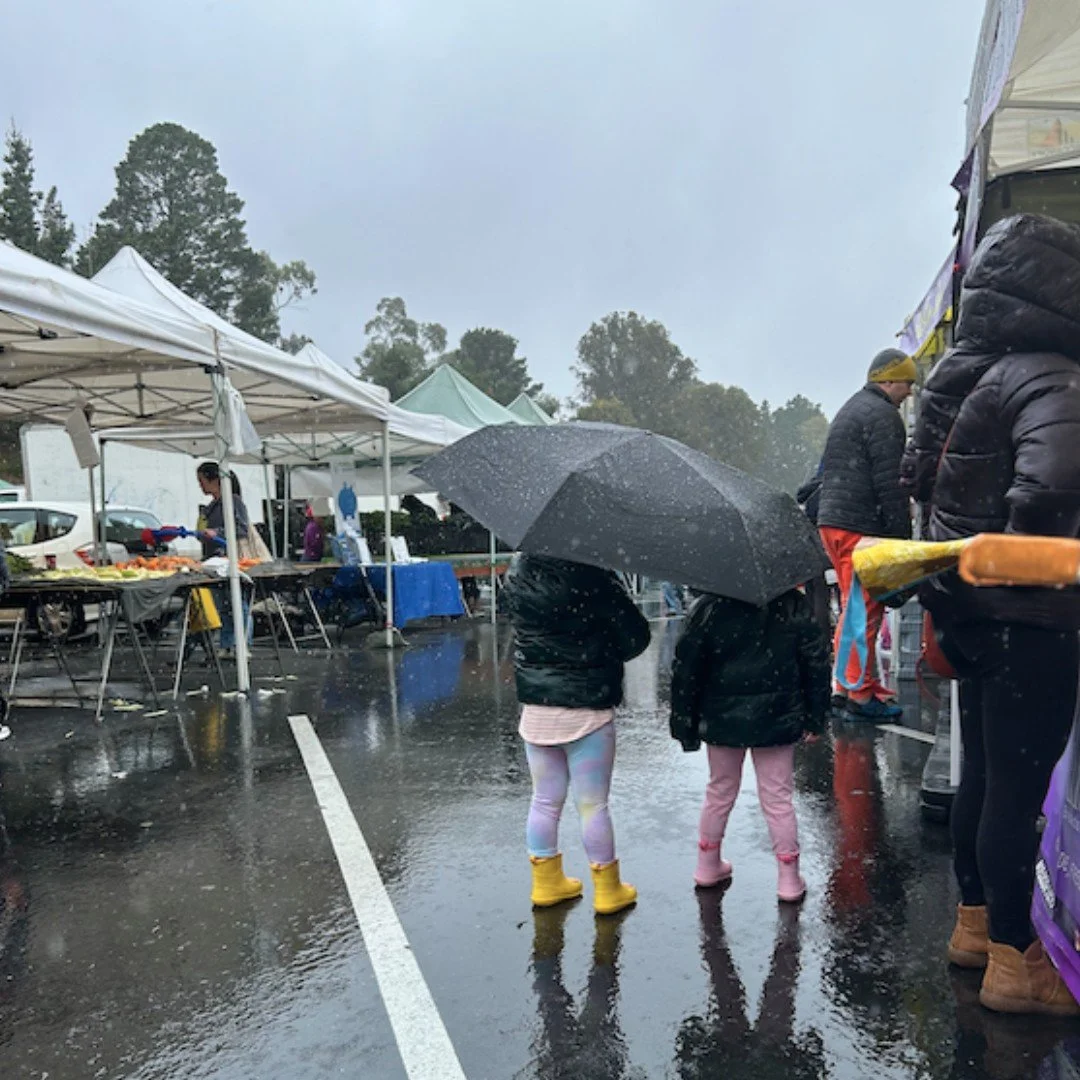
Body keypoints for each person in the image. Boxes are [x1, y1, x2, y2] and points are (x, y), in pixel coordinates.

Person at [902, 213, 1080, 1017]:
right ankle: (1017, 960)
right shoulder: (1052, 378)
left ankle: (975, 926)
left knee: (986, 772)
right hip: (1032, 614)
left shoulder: (970, 375)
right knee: (1018, 785)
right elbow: (1049, 495)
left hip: (972, 610)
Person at [504, 553, 651, 915]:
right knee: (593, 805)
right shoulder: (593, 574)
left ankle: (546, 883)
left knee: (544, 800)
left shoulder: (519, 571)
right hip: (588, 706)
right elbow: (635, 638)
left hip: (537, 707)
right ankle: (608, 889)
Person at [670, 587, 830, 902]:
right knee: (778, 798)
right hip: (777, 715)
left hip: (722, 716)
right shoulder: (790, 603)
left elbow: (686, 669)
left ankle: (707, 865)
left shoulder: (709, 607)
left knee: (719, 791)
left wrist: (685, 724)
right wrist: (815, 717)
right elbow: (816, 663)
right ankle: (788, 878)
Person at [817, 348, 915, 719]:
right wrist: (900, 541)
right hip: (860, 526)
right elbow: (891, 484)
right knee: (863, 610)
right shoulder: (884, 416)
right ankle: (858, 695)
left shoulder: (852, 408)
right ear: (887, 380)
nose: (909, 391)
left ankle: (847, 684)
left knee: (852, 607)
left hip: (834, 520)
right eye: (906, 383)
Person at [196, 462, 251, 655]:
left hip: (229, 560)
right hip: (213, 561)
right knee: (224, 607)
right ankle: (227, 644)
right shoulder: (211, 507)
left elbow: (242, 529)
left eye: (202, 481)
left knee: (237, 603)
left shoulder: (233, 502)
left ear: (215, 481)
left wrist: (218, 532)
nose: (200, 485)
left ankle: (241, 644)